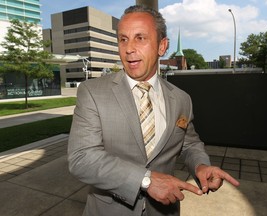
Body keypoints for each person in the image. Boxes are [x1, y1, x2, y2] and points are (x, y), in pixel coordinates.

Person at [68, 5, 240, 216]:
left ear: (162, 46)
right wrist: (146, 180)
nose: (129, 48)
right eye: (123, 39)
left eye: (140, 38)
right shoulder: (92, 92)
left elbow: (189, 143)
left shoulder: (181, 99)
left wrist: (200, 166)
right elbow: (82, 158)